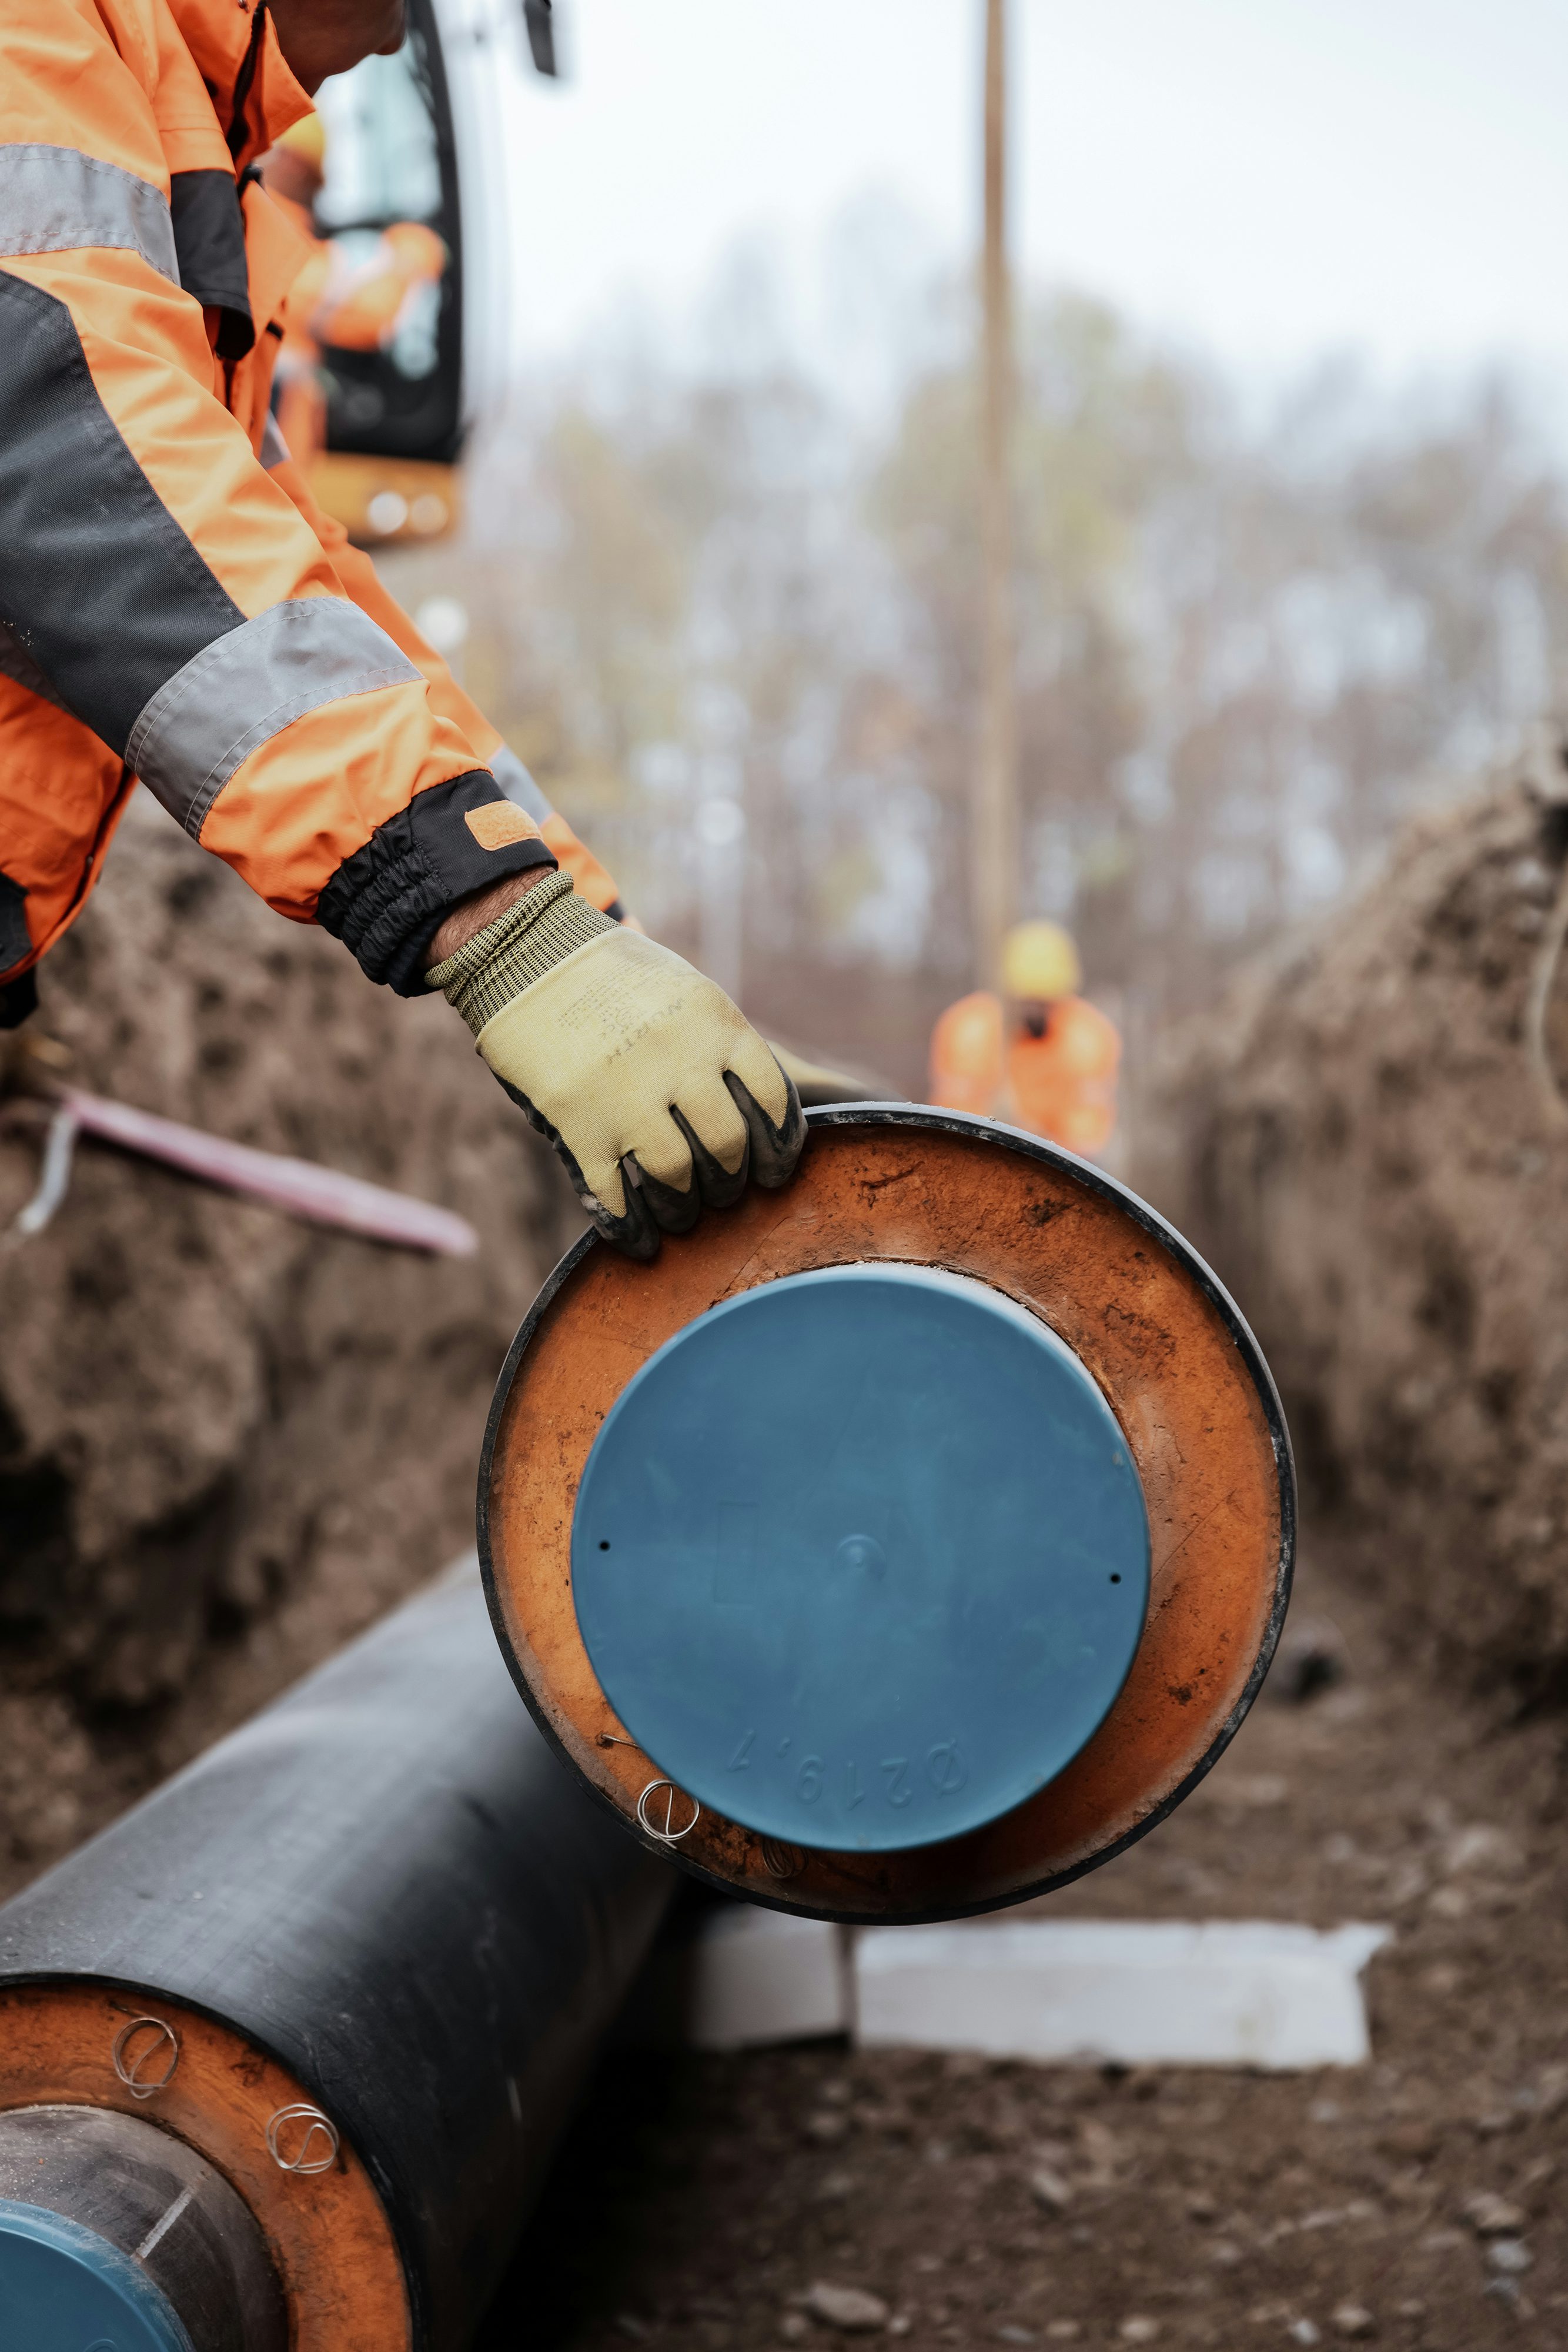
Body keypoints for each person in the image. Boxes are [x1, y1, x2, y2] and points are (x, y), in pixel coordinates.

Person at [0, 0, 801, 1261]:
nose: (401, 27)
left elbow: (299, 586)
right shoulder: (40, 48)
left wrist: (591, 941)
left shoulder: (194, 163)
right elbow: (61, 455)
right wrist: (498, 930)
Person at [929, 921, 1120, 1157]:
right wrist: (994, 1127)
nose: (1035, 1010)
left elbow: (1088, 1129)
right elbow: (952, 1117)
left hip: (1060, 1161)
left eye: (1045, 1001)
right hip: (979, 1154)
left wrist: (1037, 1141)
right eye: (1027, 1000)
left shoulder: (1088, 1038)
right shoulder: (969, 1031)